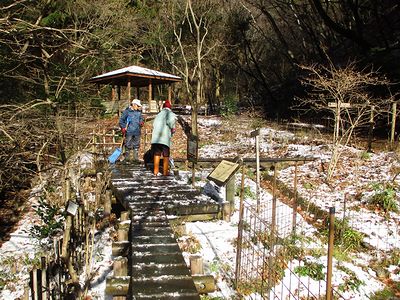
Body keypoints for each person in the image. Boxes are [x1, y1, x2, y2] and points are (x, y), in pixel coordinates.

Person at [151, 100, 176, 176]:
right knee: (166, 154)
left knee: (157, 153)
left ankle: (155, 171)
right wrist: (173, 128)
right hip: (164, 138)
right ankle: (165, 172)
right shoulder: (170, 114)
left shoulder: (159, 114)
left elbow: (153, 124)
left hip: (156, 138)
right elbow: (171, 122)